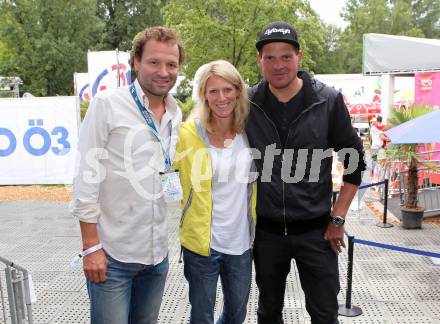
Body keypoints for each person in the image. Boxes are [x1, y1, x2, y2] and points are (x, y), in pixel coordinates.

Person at [245, 21, 366, 323]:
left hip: (317, 232)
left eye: (286, 56)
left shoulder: (328, 101)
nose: (278, 65)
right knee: (268, 312)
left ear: (299, 57)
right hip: (267, 233)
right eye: (269, 57)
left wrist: (338, 219)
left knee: (324, 313)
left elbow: (355, 164)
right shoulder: (246, 103)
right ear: (259, 60)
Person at [69, 26, 184, 324]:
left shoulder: (175, 112)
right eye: (154, 62)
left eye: (171, 64)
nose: (163, 71)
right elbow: (86, 177)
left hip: (156, 255)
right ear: (135, 62)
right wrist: (90, 247)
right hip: (112, 255)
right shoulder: (107, 105)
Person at [173, 60, 257, 324]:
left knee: (236, 315)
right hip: (201, 245)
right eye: (213, 91)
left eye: (228, 90)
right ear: (204, 96)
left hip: (241, 243)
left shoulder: (251, 131)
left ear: (238, 91)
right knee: (201, 317)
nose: (222, 98)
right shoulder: (187, 133)